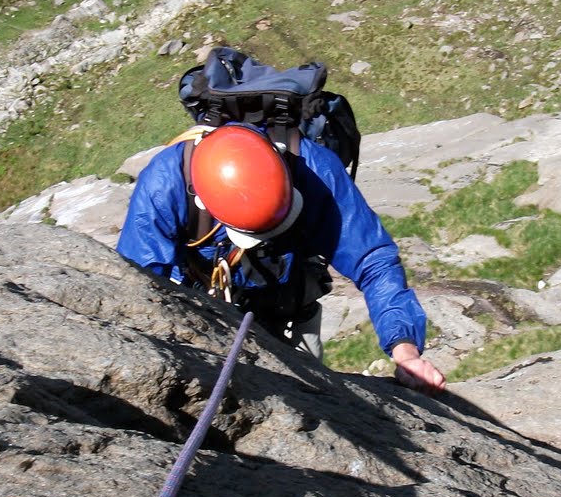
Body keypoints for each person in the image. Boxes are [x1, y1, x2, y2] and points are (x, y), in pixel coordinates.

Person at [116, 119, 445, 392]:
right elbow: (138, 283)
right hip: (206, 315)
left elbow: (373, 260)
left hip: (290, 309)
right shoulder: (165, 185)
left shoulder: (316, 171)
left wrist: (405, 349)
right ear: (204, 202)